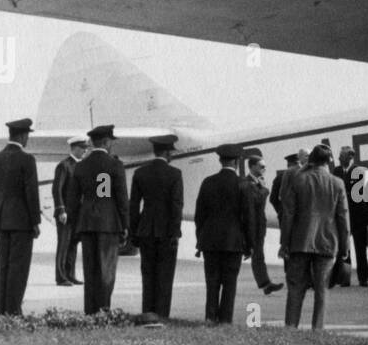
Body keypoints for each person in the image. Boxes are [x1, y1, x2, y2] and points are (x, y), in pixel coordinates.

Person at [280, 144, 350, 329]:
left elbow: (288, 215)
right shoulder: (337, 183)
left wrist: (284, 243)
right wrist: (345, 247)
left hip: (299, 242)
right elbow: (343, 219)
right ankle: (317, 330)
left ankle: (291, 327)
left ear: (311, 159)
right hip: (327, 242)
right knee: (322, 289)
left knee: (295, 288)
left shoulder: (298, 180)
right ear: (328, 161)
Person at [67, 124, 129, 314]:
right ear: (106, 141)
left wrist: (75, 225)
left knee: (90, 269)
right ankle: (103, 310)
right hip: (108, 224)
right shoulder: (114, 165)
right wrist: (125, 225)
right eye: (111, 141)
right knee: (106, 272)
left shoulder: (80, 166)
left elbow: (72, 200)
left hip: (86, 224)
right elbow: (121, 198)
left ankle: (90, 311)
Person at [0, 117, 40, 315]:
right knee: (18, 268)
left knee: (3, 268)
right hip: (22, 223)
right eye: (27, 136)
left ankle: (1, 310)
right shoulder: (27, 160)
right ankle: (13, 311)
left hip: (1, 222)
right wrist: (35, 222)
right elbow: (31, 193)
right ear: (23, 136)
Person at [129, 134, 184, 322]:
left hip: (145, 229)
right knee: (165, 276)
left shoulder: (140, 173)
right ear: (167, 152)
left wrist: (134, 232)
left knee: (148, 274)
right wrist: (175, 232)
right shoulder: (175, 174)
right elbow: (177, 206)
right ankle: (161, 315)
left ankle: (147, 313)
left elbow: (134, 205)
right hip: (166, 230)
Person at [195, 143, 252, 324]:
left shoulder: (208, 182)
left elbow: (199, 216)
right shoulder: (243, 185)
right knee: (230, 283)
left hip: (210, 241)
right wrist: (249, 244)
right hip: (233, 242)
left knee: (212, 282)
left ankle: (210, 317)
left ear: (220, 160)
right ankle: (225, 320)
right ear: (236, 161)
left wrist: (200, 238)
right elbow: (248, 218)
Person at [332, 146, 368, 286]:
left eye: (341, 156)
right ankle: (344, 278)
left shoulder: (359, 171)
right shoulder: (336, 171)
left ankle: (363, 278)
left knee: (361, 249)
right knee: (344, 249)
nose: (339, 158)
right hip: (343, 216)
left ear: (349, 157)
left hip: (358, 216)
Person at [243, 155, 283, 295]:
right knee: (257, 253)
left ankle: (265, 284)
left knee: (258, 253)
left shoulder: (259, 181)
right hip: (252, 224)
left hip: (259, 224)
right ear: (252, 166)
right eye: (261, 166)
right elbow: (256, 199)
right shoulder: (248, 183)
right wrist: (265, 190)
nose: (265, 169)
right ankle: (265, 283)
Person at [52, 135, 86, 286]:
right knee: (64, 244)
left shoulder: (81, 165)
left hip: (77, 213)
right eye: (82, 148)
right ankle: (60, 277)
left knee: (73, 245)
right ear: (74, 148)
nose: (84, 151)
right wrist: (61, 210)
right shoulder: (64, 165)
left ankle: (70, 275)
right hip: (65, 213)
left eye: (85, 148)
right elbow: (57, 190)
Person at [269, 152, 300, 228]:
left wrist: (282, 212)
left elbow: (273, 199)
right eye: (296, 164)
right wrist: (282, 211)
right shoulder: (280, 178)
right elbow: (273, 198)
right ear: (289, 165)